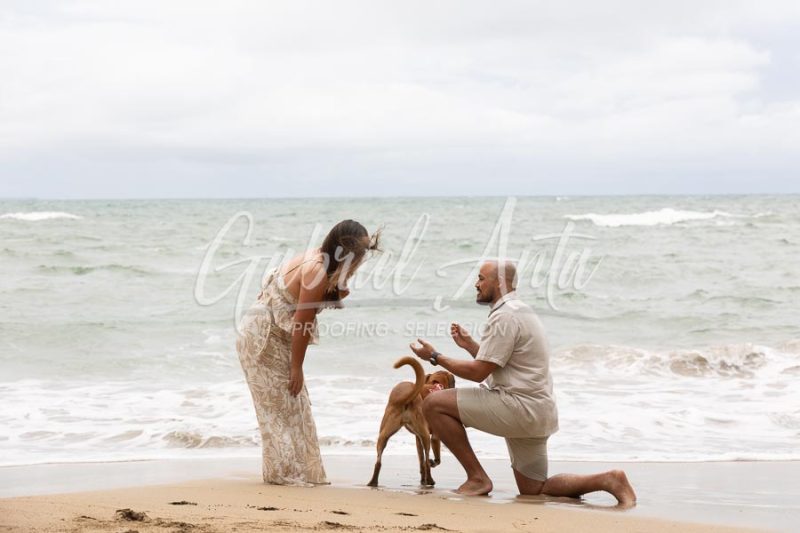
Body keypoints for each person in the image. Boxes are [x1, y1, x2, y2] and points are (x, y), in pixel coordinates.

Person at [409, 260, 636, 505]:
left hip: (518, 407)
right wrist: (471, 346)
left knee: (433, 404)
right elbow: (499, 366)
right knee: (534, 489)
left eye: (481, 278)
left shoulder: (505, 316)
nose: (476, 284)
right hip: (538, 411)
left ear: (500, 283)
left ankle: (477, 478)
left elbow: (478, 373)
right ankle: (609, 480)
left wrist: (434, 357)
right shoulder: (520, 310)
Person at [236, 220, 379, 486]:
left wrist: (340, 287)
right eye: (360, 253)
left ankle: (298, 475)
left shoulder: (319, 257)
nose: (363, 259)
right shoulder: (317, 272)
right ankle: (284, 477)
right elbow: (302, 324)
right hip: (264, 340)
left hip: (262, 330)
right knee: (281, 410)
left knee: (294, 409)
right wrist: (296, 368)